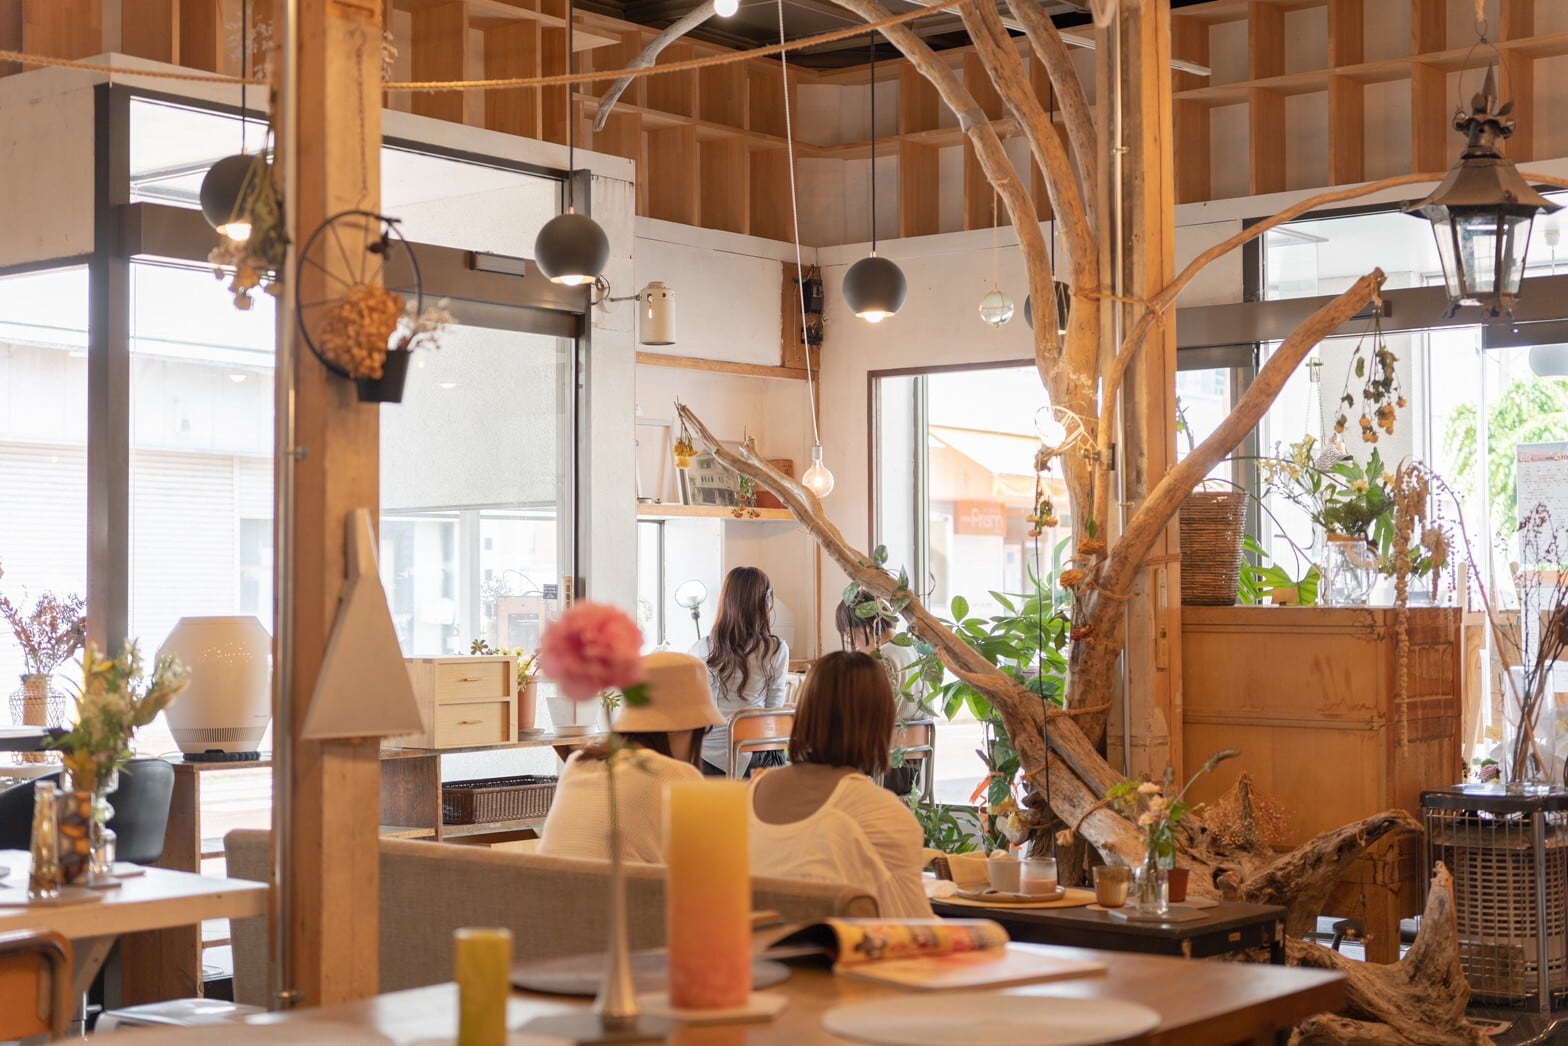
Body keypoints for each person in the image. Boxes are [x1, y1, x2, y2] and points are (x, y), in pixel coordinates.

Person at [747, 650, 933, 918]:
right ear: (881, 723)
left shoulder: (751, 794)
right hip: (843, 944)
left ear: (804, 713)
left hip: (756, 944)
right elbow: (914, 924)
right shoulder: (883, 813)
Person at [537, 651, 724, 863]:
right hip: (623, 886)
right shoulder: (674, 776)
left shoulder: (578, 762)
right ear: (682, 727)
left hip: (549, 884)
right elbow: (710, 865)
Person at [689, 566, 789, 776]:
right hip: (752, 757)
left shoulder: (699, 648)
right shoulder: (775, 649)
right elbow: (772, 712)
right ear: (765, 602)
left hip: (703, 760)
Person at [835, 595, 925, 720]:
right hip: (922, 732)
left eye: (851, 636)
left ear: (867, 628)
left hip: (890, 732)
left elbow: (868, 716)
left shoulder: (881, 659)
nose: (855, 646)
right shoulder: (912, 648)